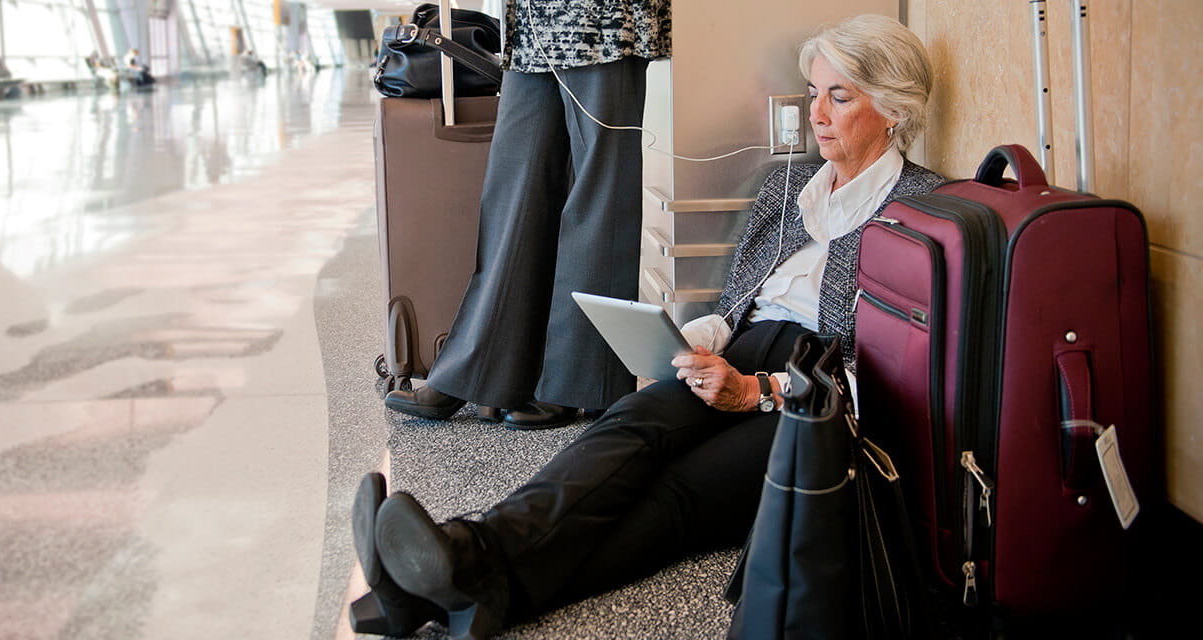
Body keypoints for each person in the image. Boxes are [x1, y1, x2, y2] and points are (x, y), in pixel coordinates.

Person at [351, 14, 945, 640]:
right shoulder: (792, 184)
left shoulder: (919, 214)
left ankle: (439, 579)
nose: (816, 113)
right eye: (815, 93)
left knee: (678, 495)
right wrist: (700, 338)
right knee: (630, 428)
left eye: (840, 96)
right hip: (738, 355)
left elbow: (897, 378)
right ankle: (456, 571)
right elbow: (738, 301)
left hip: (813, 398)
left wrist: (758, 391)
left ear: (894, 111)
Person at [382, 0, 671, 430]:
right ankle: (480, 371)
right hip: (533, 23)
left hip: (603, 19)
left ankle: (580, 384)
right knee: (512, 193)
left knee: (599, 197)